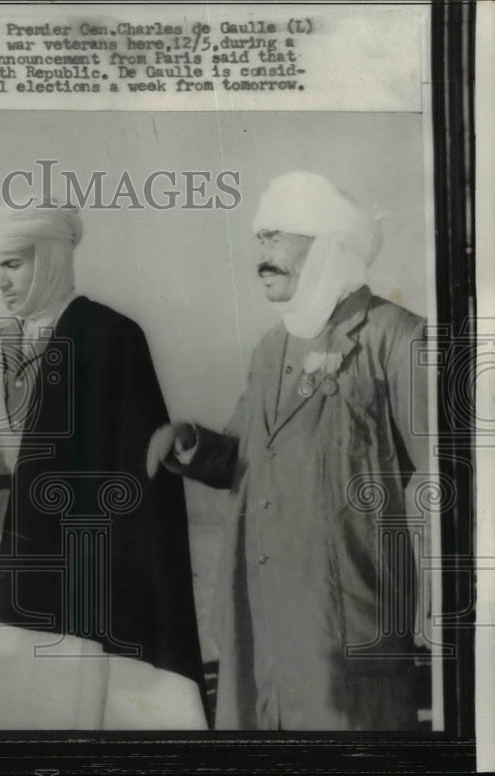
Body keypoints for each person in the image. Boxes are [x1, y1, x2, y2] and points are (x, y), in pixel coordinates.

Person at [0, 203, 207, 729]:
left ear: (50, 258)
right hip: (8, 557)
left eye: (14, 265)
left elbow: (137, 476)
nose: (1, 281)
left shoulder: (109, 334)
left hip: (84, 569)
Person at [146, 171, 430, 730]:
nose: (262, 254)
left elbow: (448, 476)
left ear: (328, 243)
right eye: (259, 239)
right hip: (260, 616)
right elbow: (242, 460)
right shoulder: (270, 348)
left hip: (346, 620)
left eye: (276, 236)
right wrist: (191, 444)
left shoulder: (397, 337)